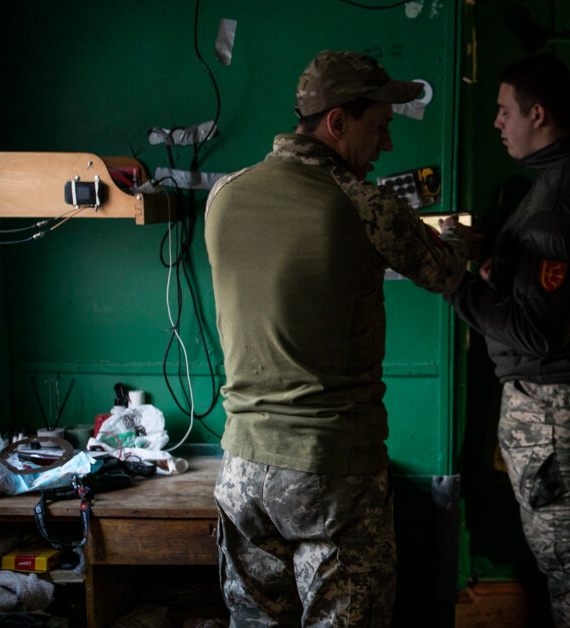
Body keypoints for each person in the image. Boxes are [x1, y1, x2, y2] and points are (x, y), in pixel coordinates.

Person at [204, 50, 480, 626]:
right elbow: (445, 272)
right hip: (330, 471)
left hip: (242, 467)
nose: (386, 145)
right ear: (337, 122)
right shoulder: (362, 203)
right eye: (379, 127)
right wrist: (459, 237)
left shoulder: (224, 194)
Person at [443, 52, 570, 627]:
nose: (497, 122)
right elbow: (561, 280)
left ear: (538, 114)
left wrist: (452, 280)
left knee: (569, 560)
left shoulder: (560, 198)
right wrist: (494, 254)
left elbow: (538, 330)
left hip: (558, 405)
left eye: (505, 111)